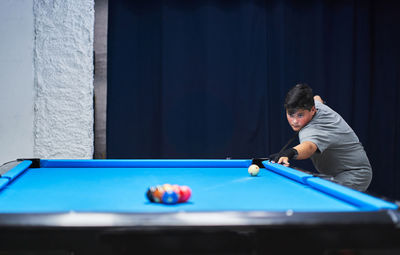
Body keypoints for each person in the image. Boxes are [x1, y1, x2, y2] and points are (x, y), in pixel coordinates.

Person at [270, 83, 372, 192]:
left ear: (312, 110)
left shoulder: (313, 129)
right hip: (337, 173)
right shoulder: (316, 105)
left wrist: (290, 153)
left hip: (355, 174)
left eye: (300, 115)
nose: (295, 121)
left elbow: (308, 147)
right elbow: (317, 97)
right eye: (291, 115)